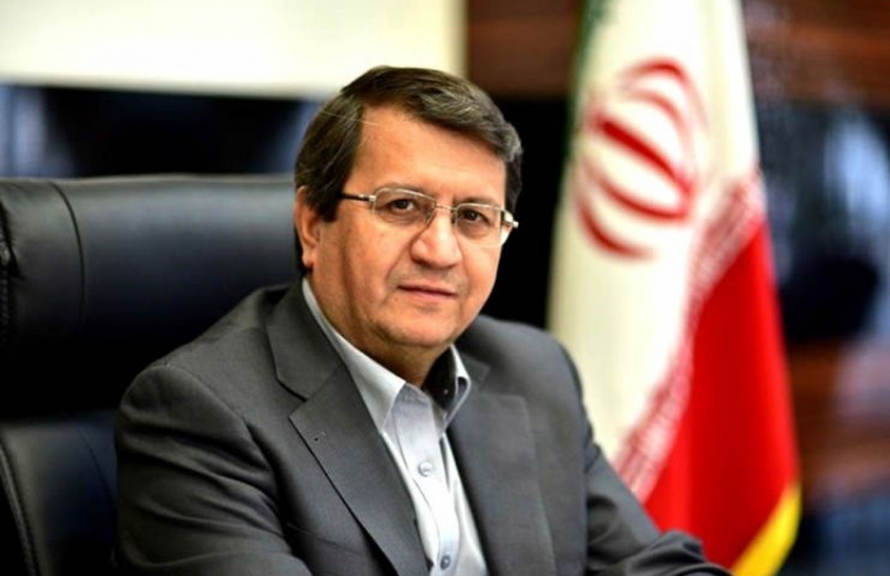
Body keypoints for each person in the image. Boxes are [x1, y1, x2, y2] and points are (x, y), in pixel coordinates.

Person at [115, 65, 729, 576]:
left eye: (473, 217)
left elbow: (652, 565)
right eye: (402, 206)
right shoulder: (200, 413)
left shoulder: (534, 371)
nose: (440, 251)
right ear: (313, 224)